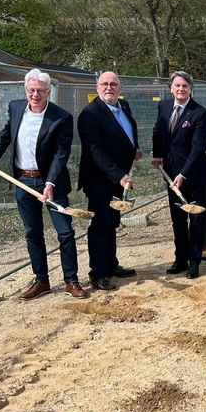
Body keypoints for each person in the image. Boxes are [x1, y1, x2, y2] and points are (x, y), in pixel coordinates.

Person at [0, 69, 87, 299]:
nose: (35, 94)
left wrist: (50, 183)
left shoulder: (61, 118)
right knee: (32, 233)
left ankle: (71, 280)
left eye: (40, 90)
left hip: (52, 182)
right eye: (31, 90)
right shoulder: (16, 108)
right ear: (25, 90)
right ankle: (42, 281)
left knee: (65, 232)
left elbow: (61, 154)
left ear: (48, 92)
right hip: (23, 181)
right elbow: (6, 134)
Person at [77, 71, 142, 291]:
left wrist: (135, 148)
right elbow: (96, 151)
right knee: (100, 225)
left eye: (113, 84)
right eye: (104, 84)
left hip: (118, 178)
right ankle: (98, 273)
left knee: (112, 222)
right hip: (100, 180)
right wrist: (119, 175)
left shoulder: (124, 106)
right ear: (97, 87)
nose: (109, 87)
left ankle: (111, 265)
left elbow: (127, 131)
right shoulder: (90, 114)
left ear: (120, 88)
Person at [152, 71, 206, 279]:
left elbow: (197, 149)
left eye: (185, 86)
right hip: (170, 175)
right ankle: (180, 259)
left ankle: (194, 262)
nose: (180, 89)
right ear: (171, 88)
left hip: (193, 175)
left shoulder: (200, 114)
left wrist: (183, 174)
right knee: (177, 218)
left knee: (195, 219)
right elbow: (158, 131)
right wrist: (157, 154)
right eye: (177, 85)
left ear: (190, 88)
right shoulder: (164, 107)